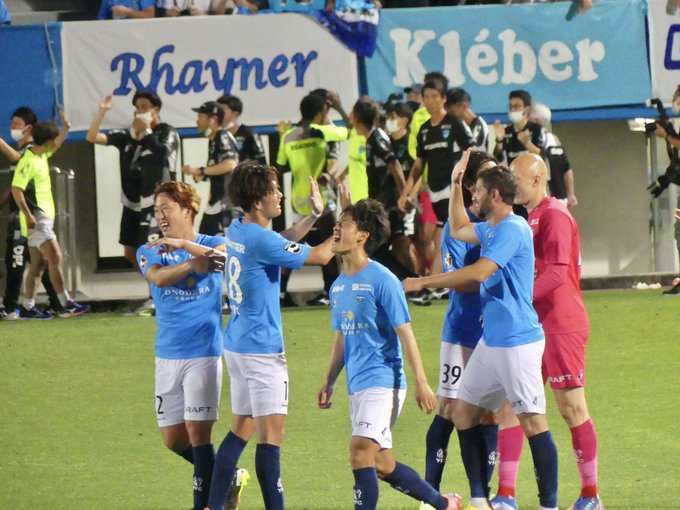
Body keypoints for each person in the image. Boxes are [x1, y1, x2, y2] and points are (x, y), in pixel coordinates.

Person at [403, 150, 559, 510]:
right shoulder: (491, 228)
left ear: (496, 195)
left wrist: (423, 282)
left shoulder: (513, 229)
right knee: (463, 413)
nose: (474, 194)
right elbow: (458, 227)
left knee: (534, 423)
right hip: (492, 342)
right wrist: (455, 182)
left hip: (517, 342)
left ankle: (548, 505)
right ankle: (479, 500)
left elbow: (478, 273)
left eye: (478, 190)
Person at [203, 163, 335, 510]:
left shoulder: (240, 229)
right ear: (258, 200)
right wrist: (344, 228)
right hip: (262, 350)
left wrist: (312, 217)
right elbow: (322, 256)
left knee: (240, 429)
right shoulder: (261, 239)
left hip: (237, 344)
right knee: (271, 439)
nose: (279, 195)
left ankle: (212, 506)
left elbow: (281, 242)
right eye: (274, 190)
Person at [317, 198, 462, 510]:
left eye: (345, 223)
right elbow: (342, 337)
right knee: (383, 465)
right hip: (357, 384)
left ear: (363, 236)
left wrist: (421, 382)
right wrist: (329, 381)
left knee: (360, 452)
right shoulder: (338, 286)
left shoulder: (383, 280)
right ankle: (444, 505)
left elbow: (406, 334)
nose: (337, 228)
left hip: (383, 381)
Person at [490, 153, 602, 510]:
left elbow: (556, 273)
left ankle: (591, 495)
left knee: (571, 408)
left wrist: (517, 299)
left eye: (516, 180)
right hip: (533, 325)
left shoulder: (554, 214)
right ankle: (506, 495)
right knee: (511, 406)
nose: (511, 187)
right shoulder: (532, 216)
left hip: (561, 324)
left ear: (537, 180)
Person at [138, 181, 226, 510]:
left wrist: (187, 247)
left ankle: (205, 505)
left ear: (188, 210)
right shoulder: (150, 248)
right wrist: (191, 264)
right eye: (156, 210)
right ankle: (227, 477)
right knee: (174, 439)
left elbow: (225, 257)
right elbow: (158, 278)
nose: (159, 216)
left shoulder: (211, 243)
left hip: (203, 353)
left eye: (166, 208)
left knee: (199, 436)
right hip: (167, 355)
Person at [422, 151, 499, 503]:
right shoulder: (458, 226)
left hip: (493, 334)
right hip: (461, 332)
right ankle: (429, 496)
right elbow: (457, 281)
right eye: (486, 175)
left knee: (490, 415)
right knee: (450, 409)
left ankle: (482, 497)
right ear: (471, 185)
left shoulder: (503, 223)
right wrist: (488, 272)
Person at [86, 91, 180, 269]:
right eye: (137, 108)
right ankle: (154, 281)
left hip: (156, 202)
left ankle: (165, 282)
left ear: (156, 109)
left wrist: (147, 131)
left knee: (155, 248)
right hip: (132, 202)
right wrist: (102, 111)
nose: (139, 111)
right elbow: (92, 137)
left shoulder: (166, 132)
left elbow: (163, 153)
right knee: (130, 251)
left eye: (144, 107)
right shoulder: (126, 137)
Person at [398, 78, 474, 295]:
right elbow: (418, 165)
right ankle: (446, 282)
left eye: (434, 97)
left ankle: (435, 285)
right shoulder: (423, 130)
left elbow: (473, 152)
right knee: (441, 237)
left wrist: (469, 184)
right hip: (435, 191)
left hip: (455, 190)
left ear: (443, 98)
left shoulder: (455, 124)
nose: (430, 101)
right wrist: (405, 193)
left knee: (441, 236)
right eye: (427, 97)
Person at [11, 120, 90, 319]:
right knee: (56, 257)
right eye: (53, 140)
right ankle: (65, 304)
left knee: (37, 265)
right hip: (36, 220)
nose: (56, 143)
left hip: (42, 218)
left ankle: (28, 307)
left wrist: (67, 128)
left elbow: (57, 144)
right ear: (46, 141)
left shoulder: (41, 155)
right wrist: (28, 215)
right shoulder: (28, 161)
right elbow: (16, 189)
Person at [276, 92, 348, 307]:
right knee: (332, 242)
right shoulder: (323, 132)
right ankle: (333, 291)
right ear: (321, 112)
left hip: (298, 199)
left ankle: (280, 292)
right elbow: (351, 131)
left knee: (292, 246)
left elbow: (280, 166)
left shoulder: (288, 136)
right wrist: (339, 108)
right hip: (320, 196)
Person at [0, 107, 62, 319]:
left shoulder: (30, 151)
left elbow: (16, 158)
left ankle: (13, 307)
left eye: (16, 124)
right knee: (38, 261)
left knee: (26, 260)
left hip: (29, 215)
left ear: (29, 128)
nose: (12, 128)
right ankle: (53, 303)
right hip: (26, 215)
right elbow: (15, 186)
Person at [182, 101, 240, 236]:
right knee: (203, 243)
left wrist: (200, 170)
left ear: (213, 119)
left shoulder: (222, 135)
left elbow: (230, 164)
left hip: (226, 206)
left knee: (220, 245)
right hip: (216, 205)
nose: (197, 121)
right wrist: (203, 175)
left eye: (200, 117)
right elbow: (219, 169)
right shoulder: (213, 141)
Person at [529, 102, 578, 209]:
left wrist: (570, 194)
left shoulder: (550, 140)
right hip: (551, 199)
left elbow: (566, 168)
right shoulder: (553, 140)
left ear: (536, 121)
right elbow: (567, 169)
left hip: (551, 200)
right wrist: (570, 194)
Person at [493, 90, 545, 166]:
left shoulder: (536, 129)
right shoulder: (506, 131)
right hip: (513, 172)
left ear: (527, 110)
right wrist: (499, 140)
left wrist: (527, 143)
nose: (512, 110)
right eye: (510, 106)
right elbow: (497, 159)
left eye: (517, 106)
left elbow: (542, 157)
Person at [217, 95, 267, 164]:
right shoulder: (217, 136)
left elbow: (261, 162)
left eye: (222, 110)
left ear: (235, 114)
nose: (218, 114)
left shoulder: (249, 134)